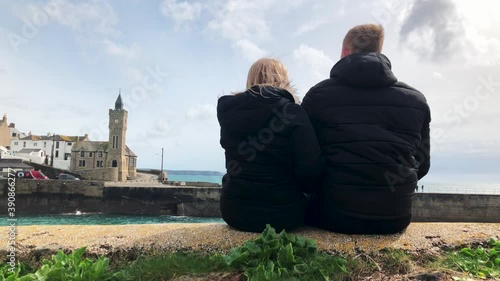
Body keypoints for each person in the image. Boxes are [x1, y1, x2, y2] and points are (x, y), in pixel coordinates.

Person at [302, 24, 431, 234]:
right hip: (395, 217)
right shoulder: (416, 100)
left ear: (345, 52)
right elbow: (422, 164)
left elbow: (305, 162)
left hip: (332, 215)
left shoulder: (318, 96)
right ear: (379, 51)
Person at [217, 58, 323, 232]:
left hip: (234, 212)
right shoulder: (291, 112)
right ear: (283, 80)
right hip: (283, 215)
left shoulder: (229, 113)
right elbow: (309, 174)